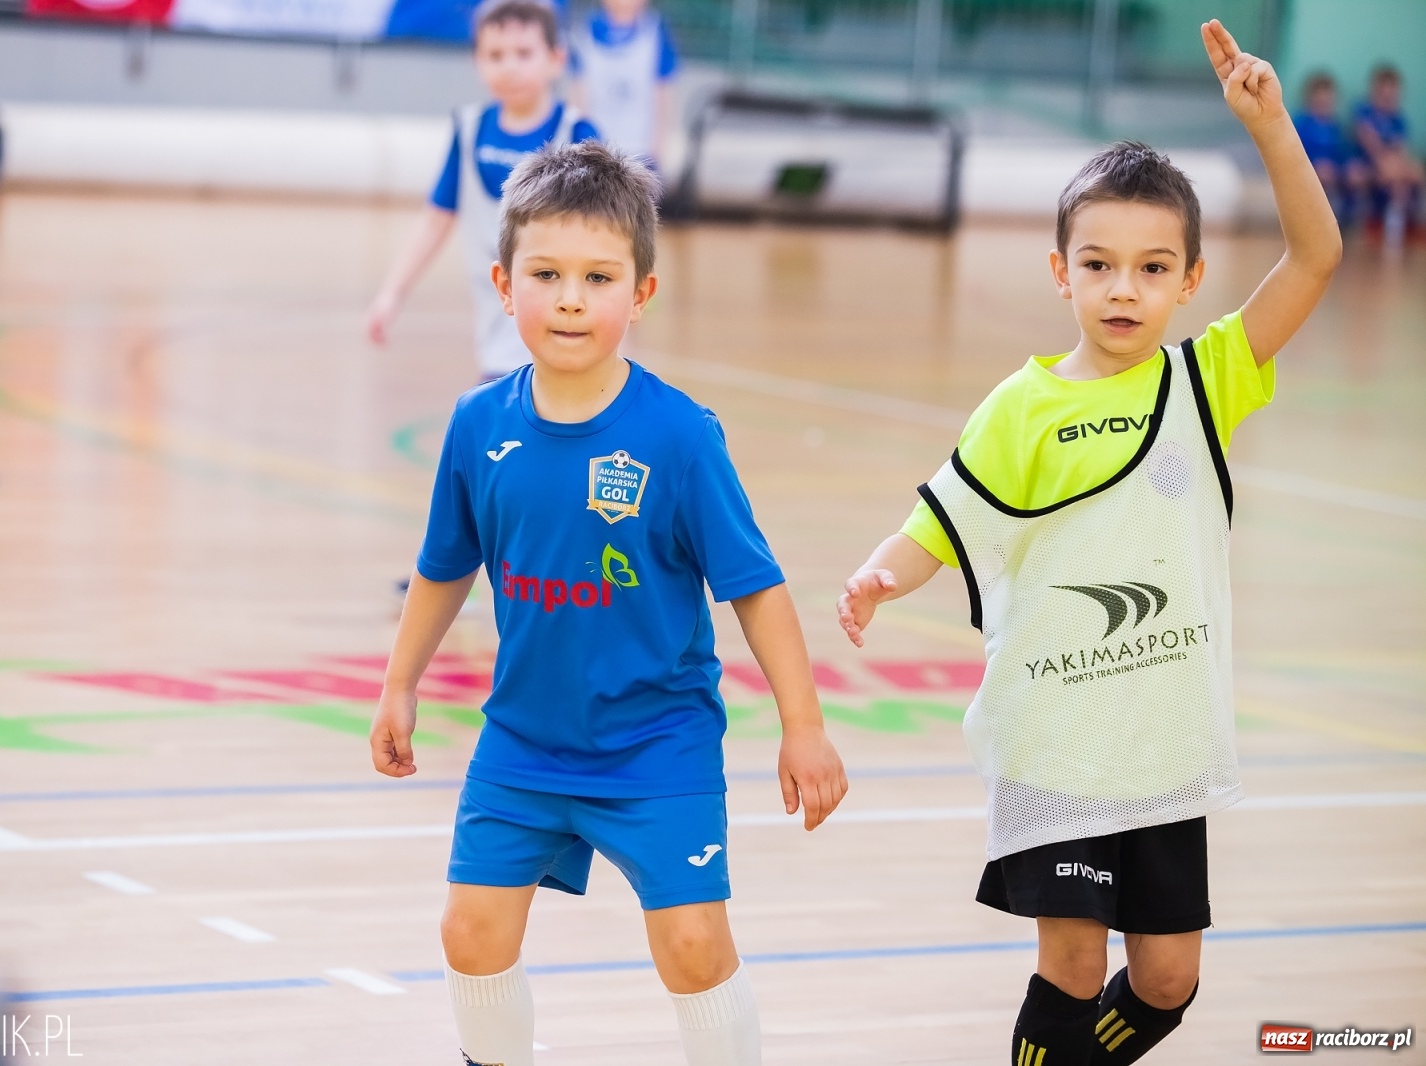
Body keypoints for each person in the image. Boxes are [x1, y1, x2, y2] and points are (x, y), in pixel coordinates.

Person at [835, 20, 1339, 1066]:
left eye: (1151, 267)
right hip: (1053, 739)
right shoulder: (1019, 408)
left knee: (1166, 980)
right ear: (1060, 271)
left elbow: (1317, 254)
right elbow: (941, 520)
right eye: (1099, 264)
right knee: (1068, 968)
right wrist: (884, 572)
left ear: (1189, 279)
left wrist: (1271, 126)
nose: (1123, 288)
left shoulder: (1206, 382)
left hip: (1163, 746)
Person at [371, 141, 848, 1066]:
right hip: (523, 742)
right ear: (505, 287)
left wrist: (804, 723)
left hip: (655, 744)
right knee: (469, 933)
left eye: (598, 277)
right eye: (546, 275)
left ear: (643, 292)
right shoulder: (478, 427)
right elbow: (442, 568)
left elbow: (755, 587)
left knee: (693, 949)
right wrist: (399, 685)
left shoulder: (678, 436)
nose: (571, 299)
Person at [365, 0, 602, 381]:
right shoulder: (470, 129)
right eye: (495, 54)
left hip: (565, 342)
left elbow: (609, 234)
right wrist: (392, 294)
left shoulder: (578, 135)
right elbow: (434, 220)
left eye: (524, 53)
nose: (509, 66)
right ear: (476, 61)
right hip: (496, 346)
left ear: (556, 59)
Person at [568, 0, 679, 169]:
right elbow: (579, 93)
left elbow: (663, 93)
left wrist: (660, 148)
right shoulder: (585, 31)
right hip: (596, 151)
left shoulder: (656, 31)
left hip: (641, 150)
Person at [1352, 64, 1422, 244]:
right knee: (1389, 170)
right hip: (1367, 162)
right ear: (1376, 90)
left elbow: (1402, 149)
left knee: (1415, 171)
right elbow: (1370, 145)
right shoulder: (1364, 111)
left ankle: (1408, 221)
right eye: (1385, 92)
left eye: (1393, 92)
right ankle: (1387, 221)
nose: (1389, 96)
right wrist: (1388, 163)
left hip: (1390, 165)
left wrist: (1401, 166)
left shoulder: (1398, 119)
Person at [1293, 72, 1362, 223]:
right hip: (1309, 171)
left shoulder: (1336, 125)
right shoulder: (1300, 124)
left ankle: (1348, 220)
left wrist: (1351, 166)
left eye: (1328, 96)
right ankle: (1317, 221)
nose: (1324, 100)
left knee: (1354, 174)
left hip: (1334, 171)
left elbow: (1345, 153)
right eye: (1320, 97)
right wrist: (1313, 166)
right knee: (1323, 174)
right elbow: (1293, 155)